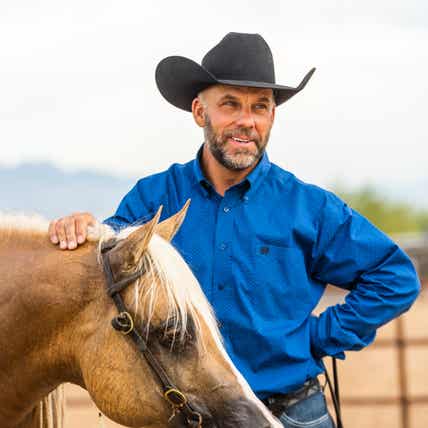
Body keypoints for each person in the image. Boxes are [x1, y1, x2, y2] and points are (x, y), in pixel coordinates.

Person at [49, 33, 420, 428]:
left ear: (272, 117)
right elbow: (106, 271)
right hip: (192, 414)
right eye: (230, 104)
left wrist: (315, 337)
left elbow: (394, 277)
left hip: (292, 411)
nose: (247, 120)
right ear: (198, 111)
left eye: (260, 107)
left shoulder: (308, 207)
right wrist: (81, 230)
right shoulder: (153, 199)